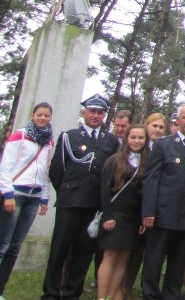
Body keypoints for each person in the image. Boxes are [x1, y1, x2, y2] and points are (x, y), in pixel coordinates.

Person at [42, 93, 120, 300]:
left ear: (105, 115)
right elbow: (57, 170)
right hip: (70, 202)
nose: (95, 116)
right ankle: (50, 292)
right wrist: (68, 191)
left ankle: (72, 293)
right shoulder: (69, 136)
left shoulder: (111, 140)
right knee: (59, 249)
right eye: (92, 111)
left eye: (100, 112)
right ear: (84, 112)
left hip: (94, 204)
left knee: (84, 251)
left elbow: (113, 173)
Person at [140, 103, 185, 300]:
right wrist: (148, 211)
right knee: (154, 259)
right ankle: (150, 294)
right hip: (162, 214)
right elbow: (152, 180)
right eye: (184, 117)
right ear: (176, 120)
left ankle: (171, 295)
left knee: (178, 262)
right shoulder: (163, 145)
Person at [0, 102, 54, 299]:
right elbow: (5, 167)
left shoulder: (49, 141)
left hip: (34, 196)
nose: (42, 118)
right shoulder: (20, 136)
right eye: (39, 114)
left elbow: (45, 171)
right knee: (3, 244)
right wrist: (8, 194)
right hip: (16, 194)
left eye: (46, 115)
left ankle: (1, 290)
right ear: (33, 115)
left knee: (15, 247)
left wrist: (44, 198)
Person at [97, 124, 149, 300]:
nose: (136, 141)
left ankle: (112, 295)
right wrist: (108, 215)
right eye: (133, 137)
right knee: (110, 256)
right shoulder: (114, 160)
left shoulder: (147, 162)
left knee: (123, 259)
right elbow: (105, 189)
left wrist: (143, 218)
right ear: (127, 139)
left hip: (133, 218)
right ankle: (102, 296)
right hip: (115, 215)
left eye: (140, 138)